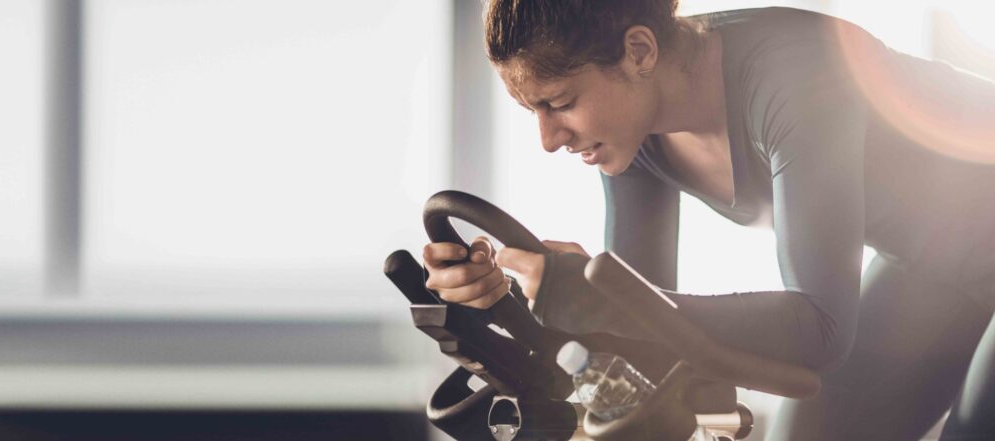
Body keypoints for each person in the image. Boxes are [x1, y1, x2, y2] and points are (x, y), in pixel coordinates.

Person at [422, 1, 995, 439]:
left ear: (640, 52)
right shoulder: (631, 132)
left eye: (562, 102)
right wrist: (510, 297)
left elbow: (820, 330)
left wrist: (590, 295)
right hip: (934, 268)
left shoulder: (795, 77)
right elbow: (640, 330)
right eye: (534, 112)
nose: (548, 141)